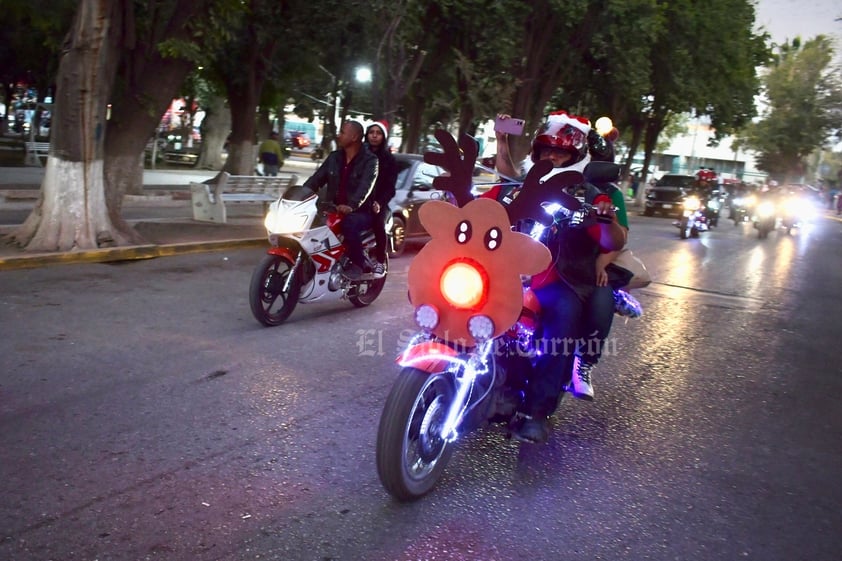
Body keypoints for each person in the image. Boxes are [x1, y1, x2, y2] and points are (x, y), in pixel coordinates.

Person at [495, 111, 627, 443]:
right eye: (546, 151)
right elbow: (491, 198)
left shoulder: (590, 194)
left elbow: (613, 241)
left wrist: (605, 219)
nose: (551, 157)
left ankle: (536, 411)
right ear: (536, 154)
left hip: (561, 276)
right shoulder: (519, 184)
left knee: (563, 319)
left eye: (561, 152)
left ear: (576, 157)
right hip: (509, 267)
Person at [302, 120, 379, 279]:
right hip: (332, 209)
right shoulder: (334, 158)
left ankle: (358, 264)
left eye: (343, 132)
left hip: (360, 212)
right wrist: (301, 195)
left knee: (349, 224)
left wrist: (351, 205)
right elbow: (316, 180)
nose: (339, 135)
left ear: (354, 136)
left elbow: (365, 186)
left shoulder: (370, 161)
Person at [364, 120, 397, 276]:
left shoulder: (388, 159)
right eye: (372, 133)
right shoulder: (359, 155)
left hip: (377, 203)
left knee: (378, 224)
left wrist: (379, 202)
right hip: (357, 202)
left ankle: (380, 261)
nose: (374, 136)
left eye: (378, 133)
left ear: (383, 137)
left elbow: (390, 187)